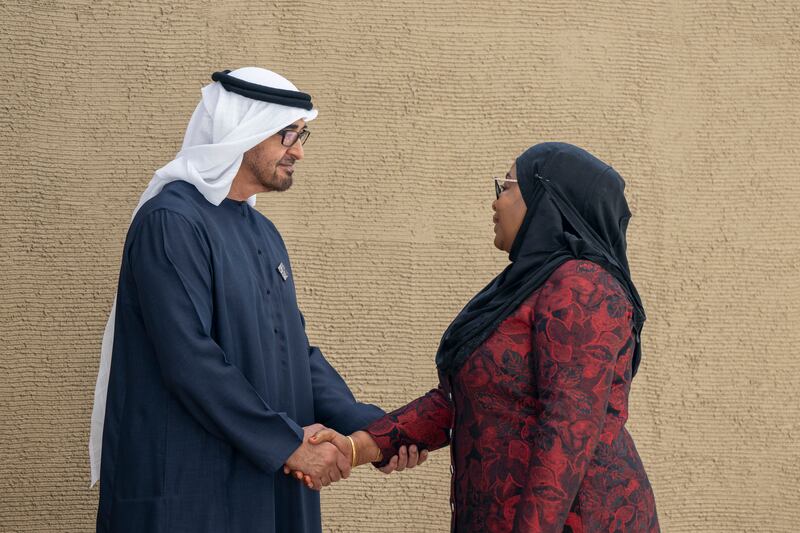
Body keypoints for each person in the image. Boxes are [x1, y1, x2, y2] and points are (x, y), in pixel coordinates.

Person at [89, 67, 423, 533]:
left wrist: (373, 430)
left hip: (265, 483)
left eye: (302, 135)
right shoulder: (172, 222)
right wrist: (290, 444)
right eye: (288, 135)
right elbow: (190, 360)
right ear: (240, 130)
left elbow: (294, 354)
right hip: (191, 491)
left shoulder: (263, 233)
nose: (299, 151)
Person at [304, 143, 660, 532]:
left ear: (547, 200)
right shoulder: (524, 287)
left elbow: (568, 429)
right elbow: (461, 399)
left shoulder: (582, 287)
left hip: (575, 519)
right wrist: (358, 446)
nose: (495, 203)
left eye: (506, 187)